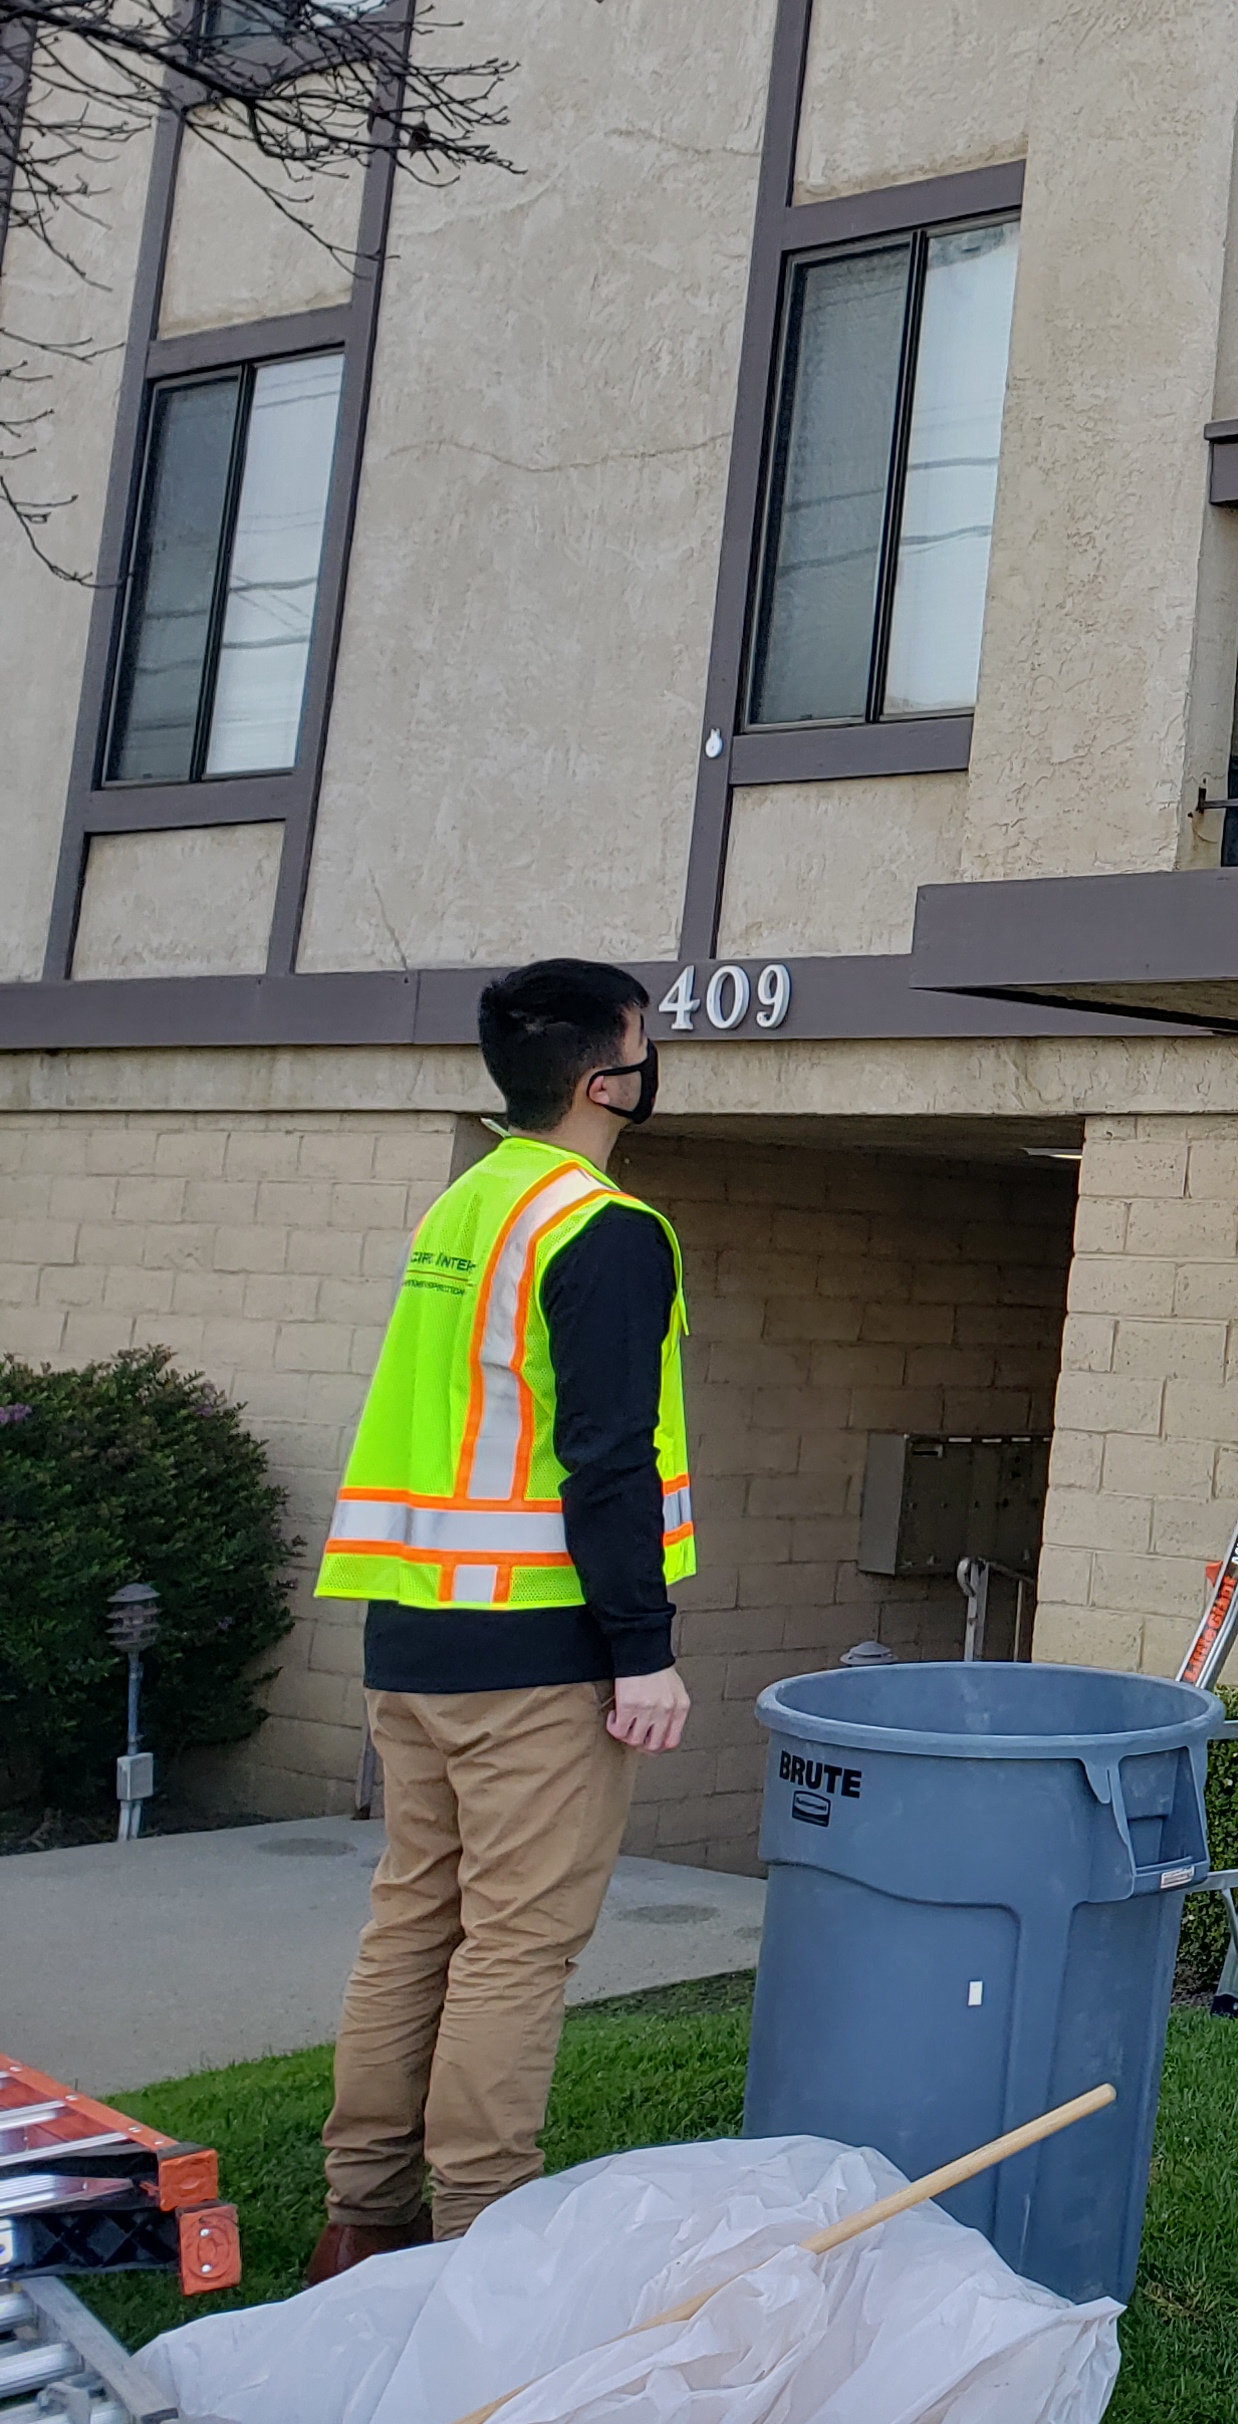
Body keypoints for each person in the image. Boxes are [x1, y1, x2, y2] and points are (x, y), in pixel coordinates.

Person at [304, 960, 694, 2279]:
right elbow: (606, 1456)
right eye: (646, 1046)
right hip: (536, 1649)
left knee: (415, 1917)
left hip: (412, 1634)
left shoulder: (466, 1206)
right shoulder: (604, 1227)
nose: (655, 1064)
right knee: (517, 1949)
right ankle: (482, 2241)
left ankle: (361, 2222)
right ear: (605, 1082)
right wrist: (642, 1650)